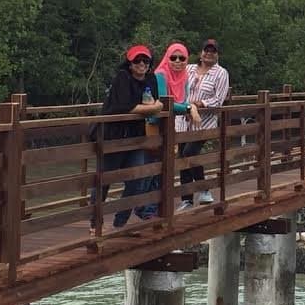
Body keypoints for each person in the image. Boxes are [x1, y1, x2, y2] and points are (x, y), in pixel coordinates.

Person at [91, 44, 162, 231]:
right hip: (112, 137)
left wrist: (152, 106)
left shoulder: (151, 78)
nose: (141, 64)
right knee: (104, 180)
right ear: (129, 63)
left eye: (145, 60)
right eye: (137, 60)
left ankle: (120, 223)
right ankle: (94, 225)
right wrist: (154, 108)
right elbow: (126, 106)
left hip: (136, 136)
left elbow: (153, 99)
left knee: (137, 178)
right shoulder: (122, 77)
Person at [139, 42, 201, 218]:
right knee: (151, 168)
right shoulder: (161, 74)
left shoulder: (184, 78)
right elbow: (167, 103)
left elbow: (182, 102)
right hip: (154, 125)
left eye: (182, 58)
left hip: (169, 126)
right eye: (173, 57)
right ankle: (144, 208)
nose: (178, 61)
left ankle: (151, 210)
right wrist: (189, 108)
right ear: (167, 57)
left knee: (163, 168)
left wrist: (188, 106)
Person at [178, 38, 230, 210]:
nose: (209, 53)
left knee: (189, 153)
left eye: (213, 51)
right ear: (201, 53)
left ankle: (204, 190)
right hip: (183, 121)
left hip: (204, 122)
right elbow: (177, 86)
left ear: (217, 55)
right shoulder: (189, 68)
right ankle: (186, 199)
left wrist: (199, 104)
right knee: (181, 157)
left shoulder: (221, 73)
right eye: (206, 50)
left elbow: (218, 99)